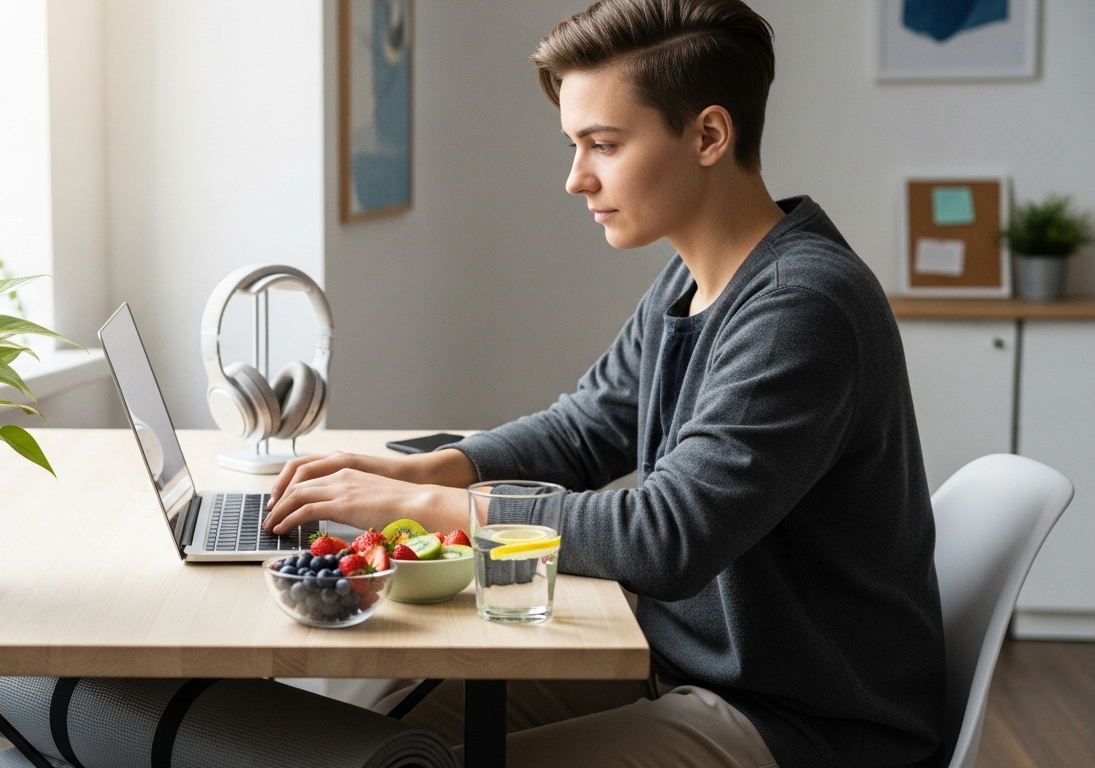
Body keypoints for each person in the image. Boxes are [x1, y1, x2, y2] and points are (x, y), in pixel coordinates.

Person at [262, 1, 946, 766]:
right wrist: (422, 468)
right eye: (574, 144)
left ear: (709, 135)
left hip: (801, 722)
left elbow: (666, 538)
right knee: (378, 734)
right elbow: (584, 428)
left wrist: (422, 504)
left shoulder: (800, 307)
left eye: (604, 145)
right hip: (675, 664)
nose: (575, 178)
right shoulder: (690, 279)